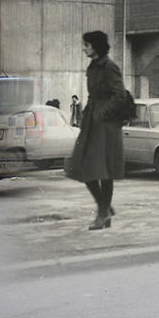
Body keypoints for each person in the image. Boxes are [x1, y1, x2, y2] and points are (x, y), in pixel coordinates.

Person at [66, 31, 128, 230]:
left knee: (104, 169)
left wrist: (102, 114)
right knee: (81, 165)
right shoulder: (92, 66)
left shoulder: (109, 67)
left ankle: (103, 213)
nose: (83, 48)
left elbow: (120, 96)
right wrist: (87, 116)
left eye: (86, 45)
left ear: (95, 46)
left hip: (106, 124)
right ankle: (105, 208)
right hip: (91, 122)